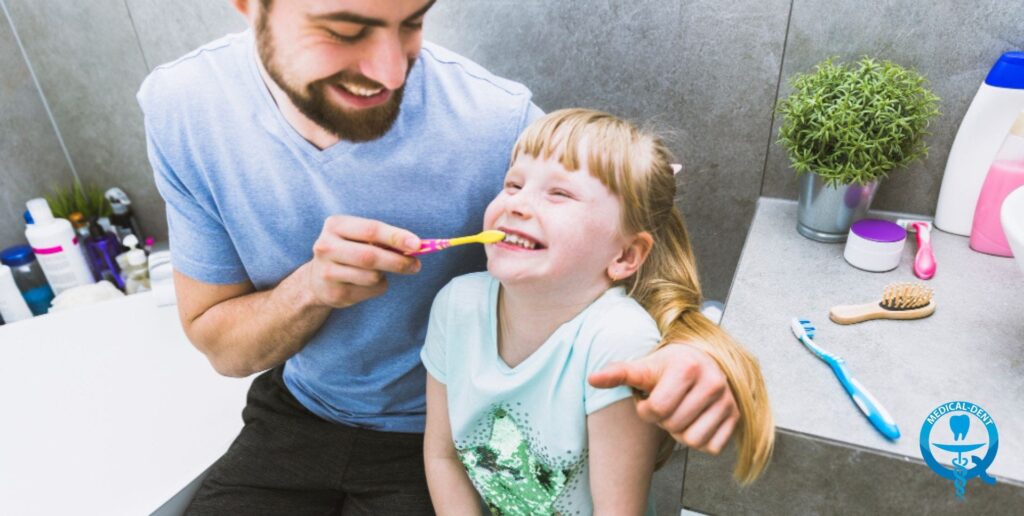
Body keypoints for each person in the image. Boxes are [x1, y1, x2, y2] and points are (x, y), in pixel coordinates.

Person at [138, 0, 748, 513]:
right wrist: (311, 288)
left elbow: (627, 247)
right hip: (296, 412)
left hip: (436, 429)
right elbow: (222, 347)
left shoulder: (495, 119)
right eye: (344, 31)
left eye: (411, 22)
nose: (390, 71)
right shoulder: (182, 107)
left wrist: (699, 355)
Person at [422, 109, 774, 515]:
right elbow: (442, 456)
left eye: (559, 193)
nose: (516, 204)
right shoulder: (456, 306)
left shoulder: (618, 342)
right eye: (513, 184)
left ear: (625, 255)